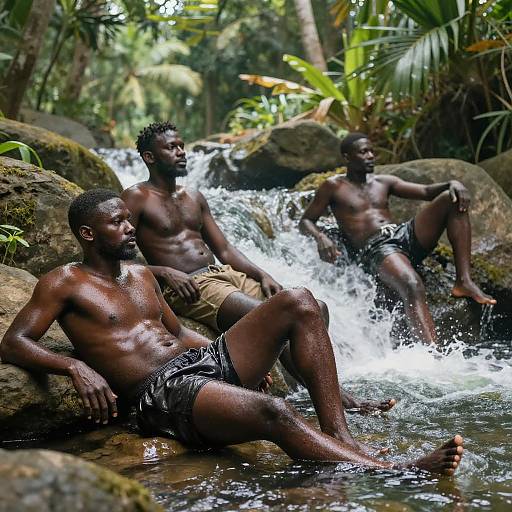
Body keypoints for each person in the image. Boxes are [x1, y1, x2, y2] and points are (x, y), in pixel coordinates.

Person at [0, 189, 464, 474]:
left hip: (196, 364)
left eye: (128, 218)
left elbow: (180, 334)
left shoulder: (141, 274)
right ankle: (391, 470)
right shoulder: (63, 282)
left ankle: (339, 432)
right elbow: (13, 343)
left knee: (300, 301)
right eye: (116, 222)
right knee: (274, 411)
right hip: (159, 393)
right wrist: (75, 366)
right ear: (87, 233)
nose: (129, 227)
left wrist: (233, 360)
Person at [121, 122, 394, 414]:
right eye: (171, 148)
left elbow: (224, 250)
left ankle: (315, 389)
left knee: (317, 308)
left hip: (224, 275)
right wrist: (162, 272)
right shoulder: (136, 197)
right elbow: (119, 256)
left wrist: (262, 275)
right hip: (193, 285)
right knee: (281, 319)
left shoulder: (194, 197)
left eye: (181, 145)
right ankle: (338, 399)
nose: (181, 152)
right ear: (150, 157)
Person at [299, 132, 496, 345]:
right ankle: (432, 355)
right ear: (347, 157)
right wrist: (320, 237)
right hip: (376, 249)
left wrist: (453, 183)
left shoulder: (383, 182)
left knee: (451, 198)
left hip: (403, 235)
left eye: (372, 150)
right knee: (411, 284)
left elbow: (427, 191)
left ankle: (463, 281)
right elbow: (306, 221)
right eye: (363, 152)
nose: (371, 155)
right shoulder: (333, 186)